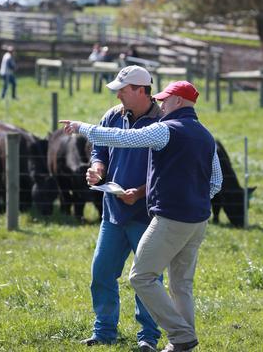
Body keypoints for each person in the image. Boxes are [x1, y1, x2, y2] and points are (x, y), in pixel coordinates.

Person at [60, 80, 223, 352]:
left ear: (179, 102)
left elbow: (124, 139)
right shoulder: (205, 135)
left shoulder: (165, 129)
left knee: (141, 277)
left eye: (165, 99)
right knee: (181, 284)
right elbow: (215, 182)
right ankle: (182, 344)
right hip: (198, 221)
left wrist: (82, 128)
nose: (160, 103)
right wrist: (193, 201)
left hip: (171, 219)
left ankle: (180, 335)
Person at [77, 65, 163, 350]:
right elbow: (99, 149)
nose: (118, 97)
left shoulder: (163, 122)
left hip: (148, 216)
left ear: (141, 90)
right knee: (101, 272)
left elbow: (170, 171)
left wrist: (140, 193)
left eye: (122, 91)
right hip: (113, 212)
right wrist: (97, 169)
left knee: (147, 280)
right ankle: (103, 332)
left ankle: (148, 338)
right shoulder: (112, 116)